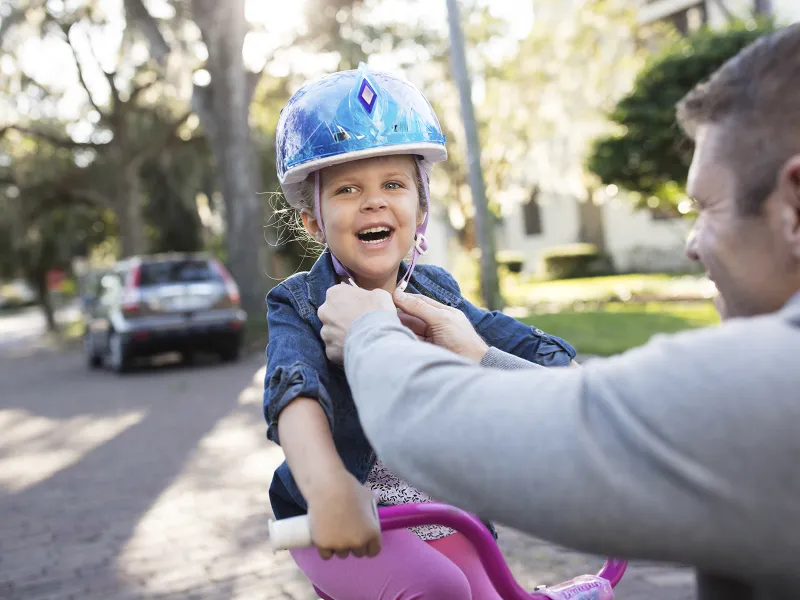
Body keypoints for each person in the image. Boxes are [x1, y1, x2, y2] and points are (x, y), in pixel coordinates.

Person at [316, 25, 800, 600]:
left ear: (794, 207)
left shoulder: (773, 387)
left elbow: (465, 431)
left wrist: (369, 333)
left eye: (707, 208)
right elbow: (594, 419)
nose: (693, 244)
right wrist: (479, 354)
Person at [264, 62, 578, 600]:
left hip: (440, 511)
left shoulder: (437, 295)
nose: (374, 201)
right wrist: (327, 485)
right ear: (313, 219)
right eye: (346, 189)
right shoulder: (299, 303)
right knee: (437, 588)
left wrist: (550, 378)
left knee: (488, 593)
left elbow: (543, 361)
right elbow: (295, 392)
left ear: (422, 204)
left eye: (393, 184)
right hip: (342, 517)